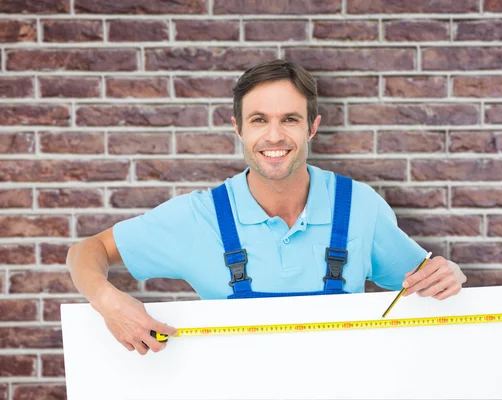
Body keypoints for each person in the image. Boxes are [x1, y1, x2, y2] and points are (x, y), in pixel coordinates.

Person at [66, 59, 467, 356]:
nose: (274, 136)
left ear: (312, 127)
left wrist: (448, 274)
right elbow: (87, 251)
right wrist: (106, 300)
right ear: (238, 128)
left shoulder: (359, 206)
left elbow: (422, 282)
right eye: (259, 120)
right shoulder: (200, 217)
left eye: (289, 119)